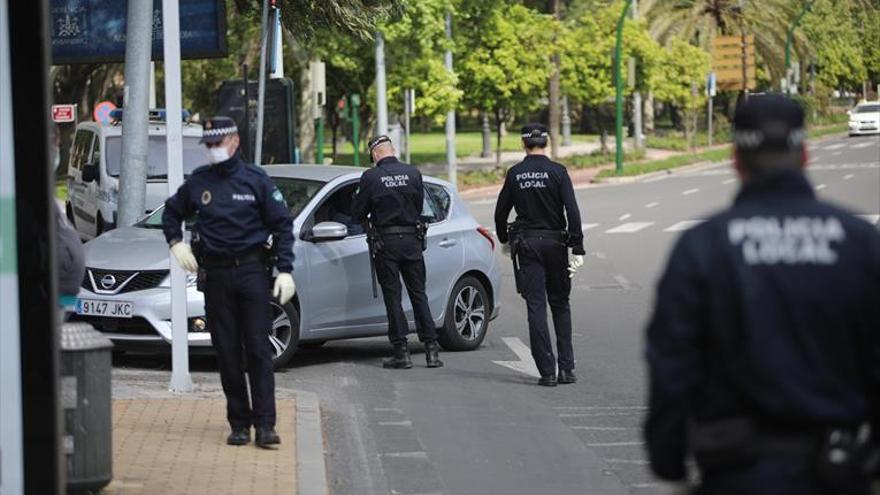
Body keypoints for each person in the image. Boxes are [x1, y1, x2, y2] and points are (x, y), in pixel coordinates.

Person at [643, 94, 880, 494]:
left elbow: (672, 365)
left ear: (736, 159)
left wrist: (668, 459)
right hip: (839, 471)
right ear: (805, 154)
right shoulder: (859, 243)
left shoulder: (704, 247)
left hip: (736, 473)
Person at [162, 116, 295, 448]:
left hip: (251, 272)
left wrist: (285, 268)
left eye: (216, 144)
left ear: (234, 142)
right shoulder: (200, 182)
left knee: (259, 351)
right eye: (207, 145)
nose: (211, 150)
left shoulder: (256, 180)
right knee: (227, 352)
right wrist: (175, 242)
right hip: (217, 275)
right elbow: (171, 212)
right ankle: (239, 423)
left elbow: (282, 225)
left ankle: (265, 425)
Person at [494, 123, 586, 387]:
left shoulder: (515, 173)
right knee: (560, 304)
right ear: (546, 142)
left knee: (536, 305)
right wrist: (577, 245)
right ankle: (567, 368)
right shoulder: (558, 171)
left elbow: (501, 212)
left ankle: (547, 371)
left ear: (523, 144)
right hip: (556, 243)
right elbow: (572, 210)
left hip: (528, 244)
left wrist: (504, 238)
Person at [351, 135, 442, 369]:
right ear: (392, 150)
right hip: (412, 241)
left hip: (386, 243)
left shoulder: (371, 177)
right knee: (419, 294)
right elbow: (419, 204)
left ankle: (401, 352)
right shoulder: (413, 173)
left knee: (393, 298)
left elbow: (357, 214)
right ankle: (432, 350)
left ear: (375, 153)